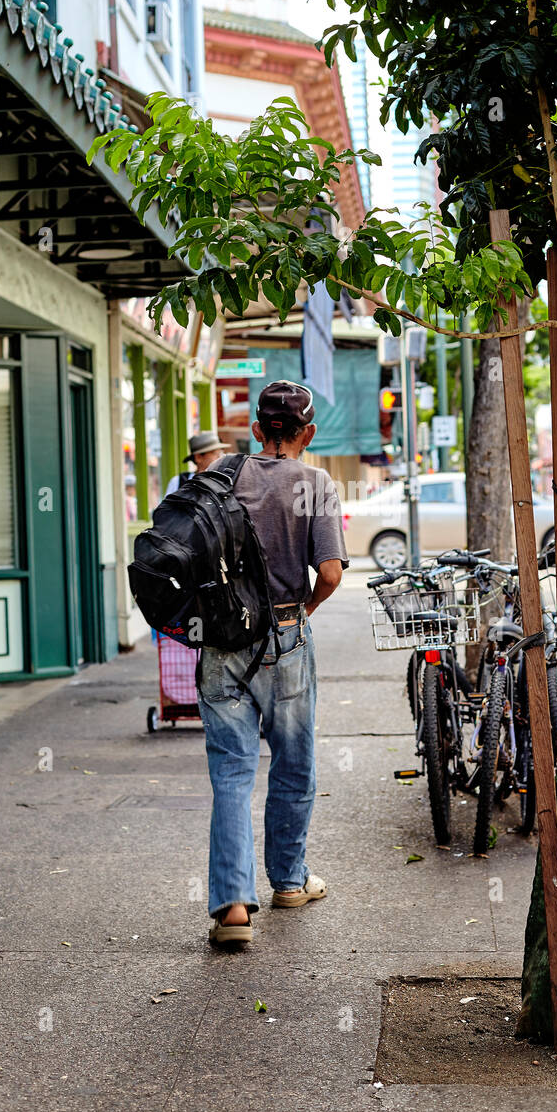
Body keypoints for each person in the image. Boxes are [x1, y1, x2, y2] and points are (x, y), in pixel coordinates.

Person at [198, 381, 349, 946]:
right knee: (293, 763)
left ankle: (233, 908)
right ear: (307, 434)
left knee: (232, 773)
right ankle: (288, 880)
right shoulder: (315, 484)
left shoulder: (219, 476)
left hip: (220, 642)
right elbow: (331, 573)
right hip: (285, 635)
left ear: (258, 430)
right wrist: (301, 611)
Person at [164, 431, 230, 497]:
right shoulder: (178, 482)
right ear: (198, 457)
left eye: (221, 453)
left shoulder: (225, 481)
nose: (220, 457)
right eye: (215, 454)